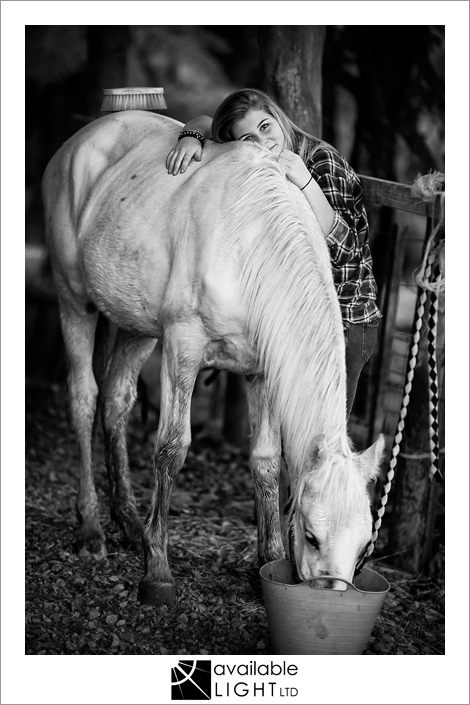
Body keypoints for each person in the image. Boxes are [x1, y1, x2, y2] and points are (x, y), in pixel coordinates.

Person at [166, 88, 381, 418]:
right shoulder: (258, 162)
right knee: (285, 433)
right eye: (249, 138)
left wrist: (305, 181)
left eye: (265, 127)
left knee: (321, 435)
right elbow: (207, 122)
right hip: (297, 317)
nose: (263, 141)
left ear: (277, 115)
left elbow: (345, 248)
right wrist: (192, 136)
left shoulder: (322, 163)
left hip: (344, 321)